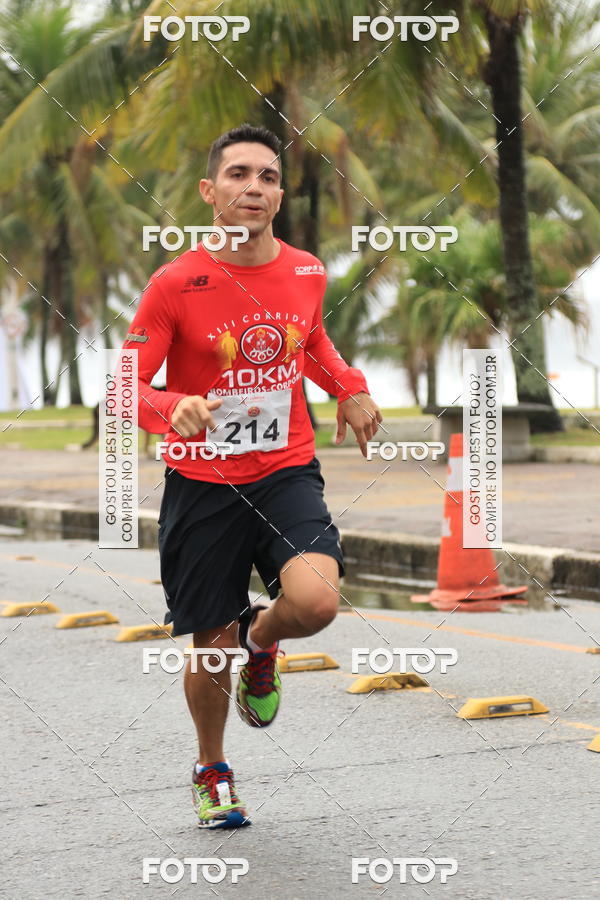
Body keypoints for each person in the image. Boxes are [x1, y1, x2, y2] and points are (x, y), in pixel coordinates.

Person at [123, 123, 382, 829]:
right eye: (239, 174)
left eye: (268, 177)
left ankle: (261, 643)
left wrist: (350, 387)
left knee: (318, 601)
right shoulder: (175, 282)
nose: (254, 188)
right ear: (211, 192)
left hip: (285, 469)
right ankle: (212, 768)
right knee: (210, 646)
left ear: (279, 194)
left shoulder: (304, 270)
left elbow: (313, 341)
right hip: (203, 485)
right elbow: (126, 384)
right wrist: (172, 406)